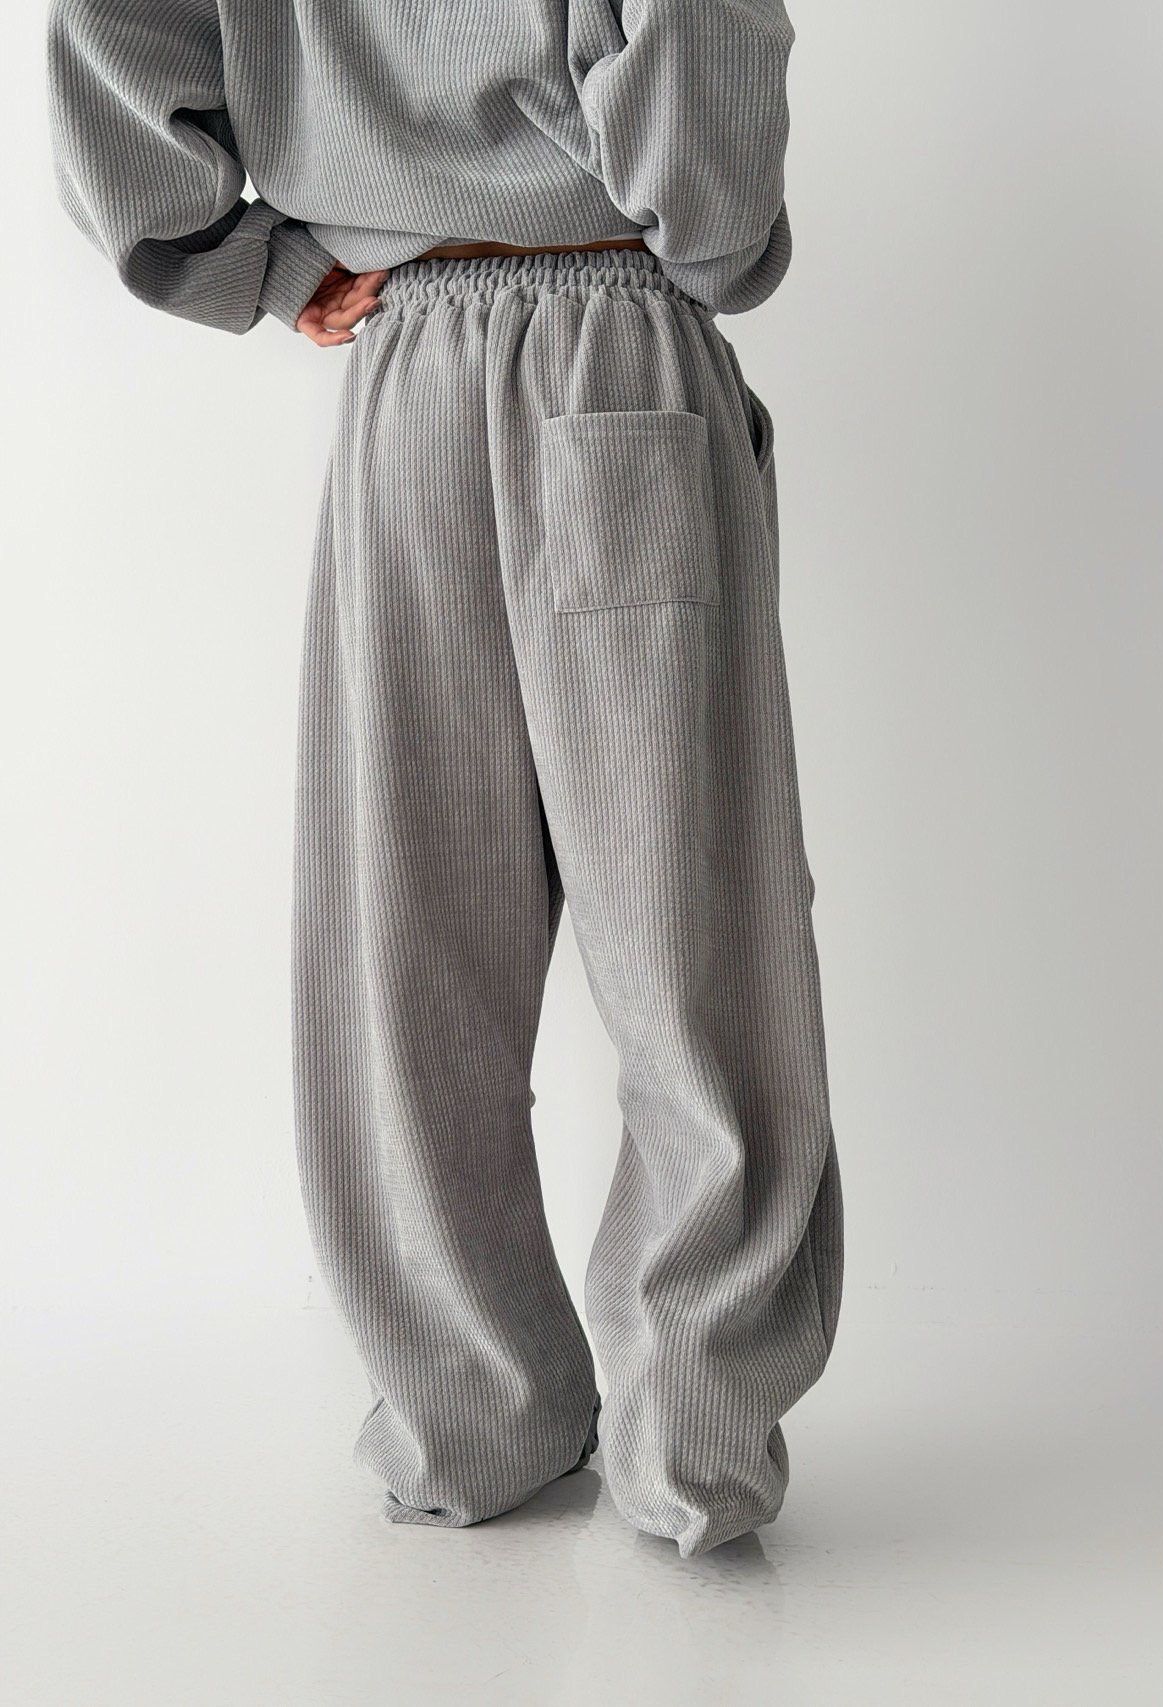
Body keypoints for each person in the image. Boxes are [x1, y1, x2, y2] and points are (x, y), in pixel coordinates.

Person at [48, 0, 843, 1558]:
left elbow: (111, 36)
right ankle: (693, 1438)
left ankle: (468, 1419)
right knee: (695, 945)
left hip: (405, 369)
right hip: (619, 351)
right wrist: (721, 234)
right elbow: (703, 138)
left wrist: (254, 263)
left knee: (404, 943)